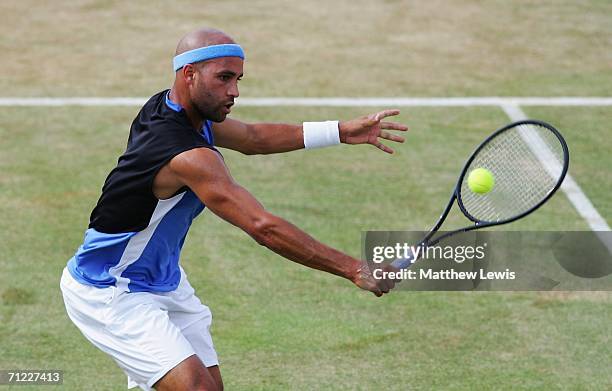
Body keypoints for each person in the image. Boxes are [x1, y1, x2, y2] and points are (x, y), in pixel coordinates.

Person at [60, 28, 407, 391]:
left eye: (238, 79)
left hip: (163, 280)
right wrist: (354, 268)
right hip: (111, 288)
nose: (235, 91)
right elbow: (262, 226)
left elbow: (253, 138)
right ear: (188, 74)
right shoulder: (186, 154)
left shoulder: (172, 108)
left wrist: (339, 131)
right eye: (224, 78)